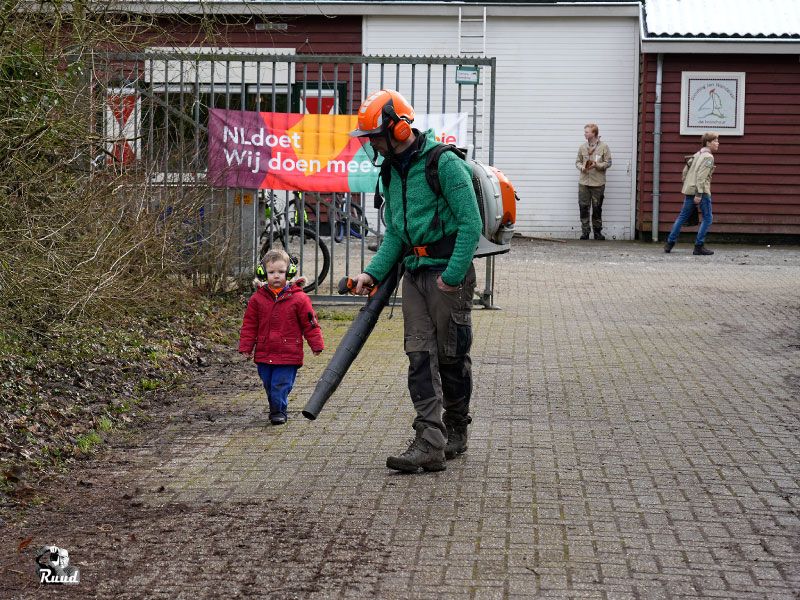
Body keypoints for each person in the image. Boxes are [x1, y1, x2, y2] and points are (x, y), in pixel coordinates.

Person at [349, 89, 483, 473]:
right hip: (414, 275)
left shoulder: (443, 164)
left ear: (401, 129)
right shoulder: (392, 170)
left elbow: (470, 224)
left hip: (448, 275)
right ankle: (429, 439)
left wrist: (452, 277)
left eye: (375, 136)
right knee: (419, 355)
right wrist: (371, 273)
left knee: (451, 356)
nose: (372, 144)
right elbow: (395, 233)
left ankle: (457, 427)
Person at [239, 249, 324, 424]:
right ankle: (276, 406)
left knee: (280, 384)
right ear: (263, 273)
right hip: (264, 352)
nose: (276, 276)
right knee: (269, 384)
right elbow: (249, 325)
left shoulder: (299, 299)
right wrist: (246, 346)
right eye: (271, 272)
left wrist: (316, 344)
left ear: (290, 272)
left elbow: (310, 323)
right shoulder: (257, 299)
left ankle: (279, 412)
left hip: (288, 353)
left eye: (281, 272)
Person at [664, 131, 719, 256]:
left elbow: (685, 172)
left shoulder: (696, 154)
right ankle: (699, 246)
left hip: (689, 189)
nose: (718, 143)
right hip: (701, 192)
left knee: (682, 217)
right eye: (715, 141)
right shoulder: (708, 157)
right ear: (708, 143)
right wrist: (699, 194)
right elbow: (701, 177)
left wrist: (688, 184)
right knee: (708, 218)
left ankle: (669, 243)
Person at [575, 123, 612, 240]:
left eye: (586, 132)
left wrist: (597, 165)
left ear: (594, 133)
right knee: (583, 207)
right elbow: (577, 162)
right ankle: (585, 232)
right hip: (584, 183)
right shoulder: (582, 147)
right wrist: (582, 167)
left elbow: (608, 163)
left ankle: (597, 232)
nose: (584, 134)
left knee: (597, 208)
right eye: (585, 132)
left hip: (598, 183)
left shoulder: (604, 147)